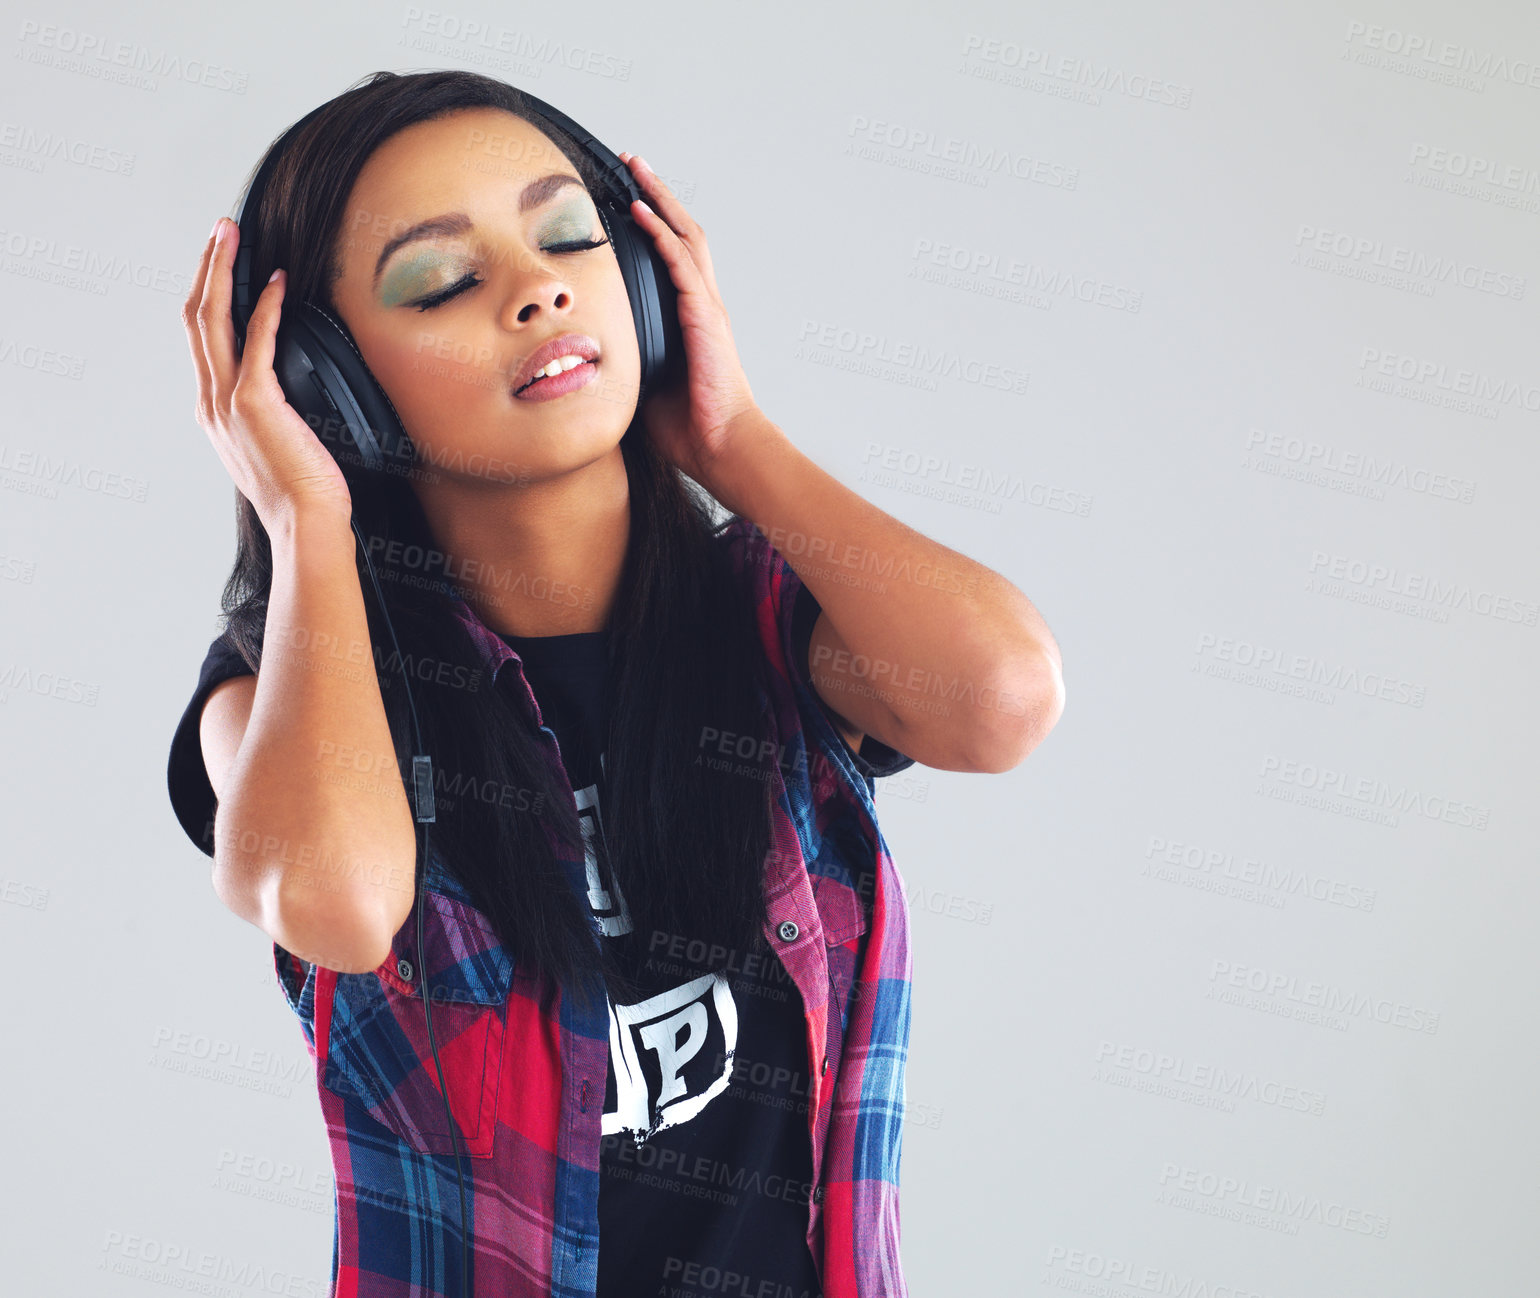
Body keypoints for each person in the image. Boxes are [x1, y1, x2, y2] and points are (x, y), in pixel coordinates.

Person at [167, 69, 1065, 1298]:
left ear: (643, 280)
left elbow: (1001, 698)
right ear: (329, 381)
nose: (536, 288)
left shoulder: (769, 620)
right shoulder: (288, 698)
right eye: (442, 280)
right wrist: (303, 511)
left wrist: (734, 438)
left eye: (569, 236)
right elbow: (332, 903)